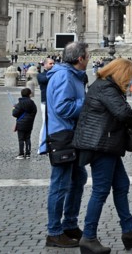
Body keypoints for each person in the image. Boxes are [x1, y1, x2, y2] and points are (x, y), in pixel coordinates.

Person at [73, 58, 132, 253]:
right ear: (120, 74)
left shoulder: (103, 86)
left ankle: (129, 232)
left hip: (107, 144)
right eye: (128, 77)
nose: (128, 81)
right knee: (100, 191)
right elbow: (123, 112)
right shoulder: (106, 88)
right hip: (101, 145)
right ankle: (88, 237)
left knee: (122, 185)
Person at [41, 41, 90, 248]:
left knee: (79, 177)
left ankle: (69, 224)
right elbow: (63, 107)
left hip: (72, 134)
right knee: (60, 184)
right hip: (62, 135)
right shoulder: (64, 76)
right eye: (88, 56)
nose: (90, 59)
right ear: (80, 58)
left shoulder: (73, 75)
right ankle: (54, 232)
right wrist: (89, 104)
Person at [12, 87, 38, 159]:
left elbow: (14, 114)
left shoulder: (19, 103)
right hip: (29, 124)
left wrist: (14, 108)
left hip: (21, 124)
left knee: (21, 139)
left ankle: (21, 154)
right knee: (27, 138)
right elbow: (35, 111)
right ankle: (28, 154)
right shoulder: (32, 103)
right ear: (29, 94)